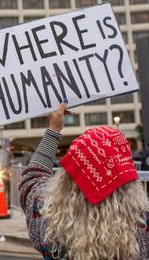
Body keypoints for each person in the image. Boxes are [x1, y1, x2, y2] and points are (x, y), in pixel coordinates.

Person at [19, 103, 149, 260]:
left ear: (66, 178)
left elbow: (32, 178)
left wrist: (54, 129)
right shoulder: (142, 227)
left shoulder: (49, 221)